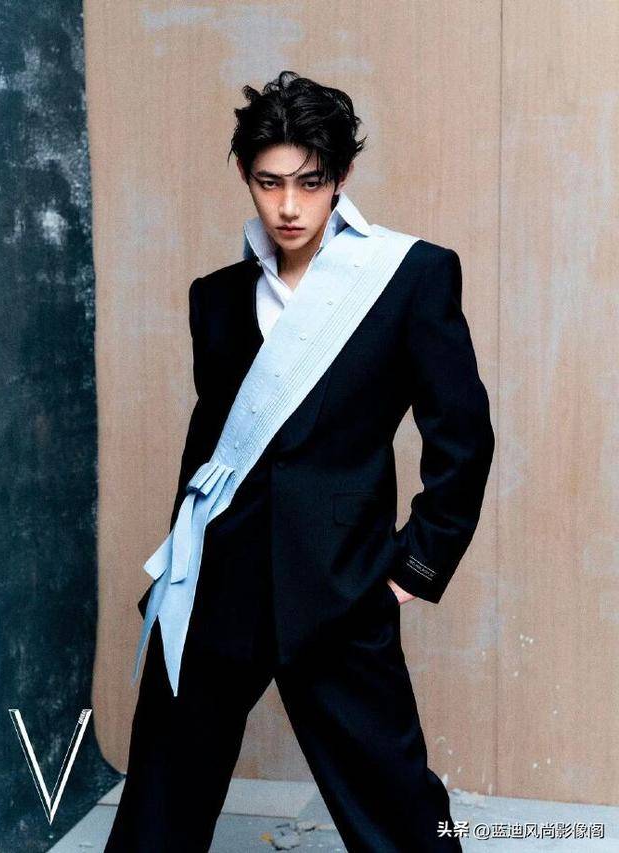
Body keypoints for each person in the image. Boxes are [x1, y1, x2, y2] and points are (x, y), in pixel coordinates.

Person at [104, 70, 495, 852]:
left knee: (399, 808)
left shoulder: (409, 276)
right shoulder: (216, 298)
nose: (288, 205)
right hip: (218, 580)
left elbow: (464, 435)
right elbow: (211, 447)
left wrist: (414, 566)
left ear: (340, 177)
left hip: (340, 581)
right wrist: (180, 560)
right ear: (246, 178)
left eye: (309, 182)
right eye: (269, 182)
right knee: (160, 799)